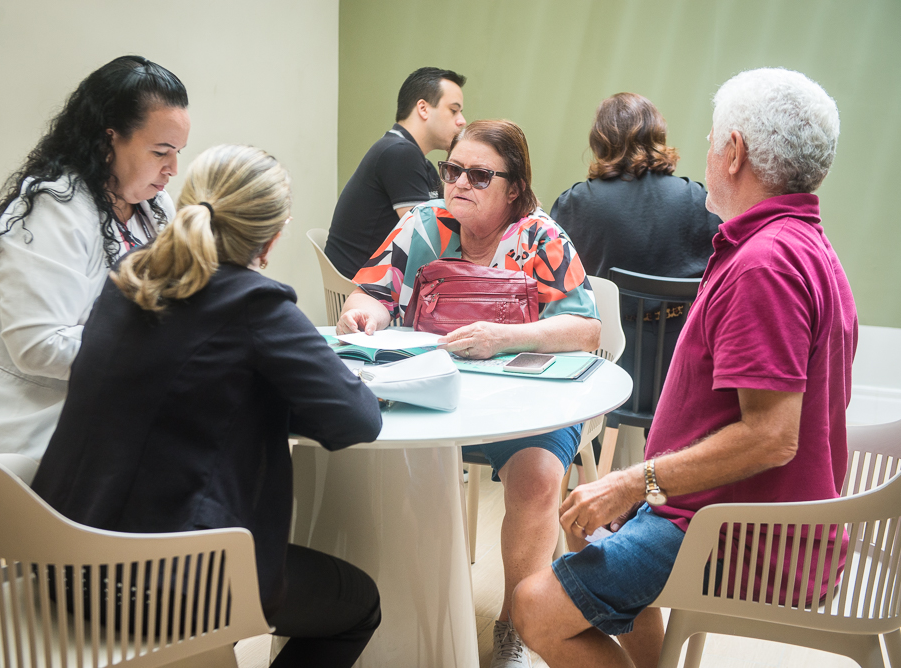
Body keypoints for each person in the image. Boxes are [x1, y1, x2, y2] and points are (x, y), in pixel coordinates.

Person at [511, 68, 856, 668]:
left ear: (735, 151)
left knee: (533, 606)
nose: (706, 150)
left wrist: (631, 482)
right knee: (585, 529)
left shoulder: (765, 266)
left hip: (734, 535)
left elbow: (772, 436)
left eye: (712, 137)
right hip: (740, 513)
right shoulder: (804, 244)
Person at [31, 145, 384, 668]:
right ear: (273, 235)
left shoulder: (130, 280)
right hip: (162, 586)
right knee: (359, 605)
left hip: (63, 555)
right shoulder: (255, 305)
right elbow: (358, 418)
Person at [339, 119, 601, 668]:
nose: (459, 182)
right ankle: (401, 612)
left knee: (537, 478)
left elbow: (584, 330)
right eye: (452, 169)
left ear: (514, 187)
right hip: (434, 396)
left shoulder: (541, 236)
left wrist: (501, 337)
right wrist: (362, 314)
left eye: (479, 175)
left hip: (527, 402)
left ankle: (513, 626)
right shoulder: (421, 225)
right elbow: (369, 295)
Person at [0, 55, 189, 460]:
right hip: (14, 421)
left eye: (178, 153)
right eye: (160, 151)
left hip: (98, 399)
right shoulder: (53, 210)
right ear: (107, 140)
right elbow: (37, 346)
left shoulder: (155, 207)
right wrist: (152, 350)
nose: (172, 168)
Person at [550, 92, 721, 501]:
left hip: (601, 373)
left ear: (599, 141)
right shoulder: (700, 201)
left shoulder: (576, 204)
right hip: (679, 376)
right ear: (658, 135)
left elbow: (552, 288)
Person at [325, 66, 466, 278]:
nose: (462, 120)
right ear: (423, 108)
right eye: (453, 110)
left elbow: (445, 218)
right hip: (364, 292)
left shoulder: (416, 159)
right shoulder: (399, 153)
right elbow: (426, 237)